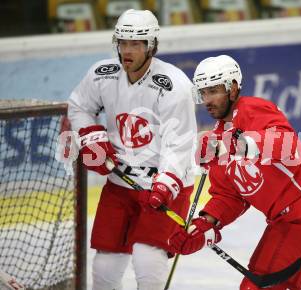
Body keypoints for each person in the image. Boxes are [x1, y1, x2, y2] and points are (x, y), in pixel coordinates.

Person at [168, 55, 301, 290]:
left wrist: (240, 144)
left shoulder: (252, 109)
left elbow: (290, 145)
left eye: (213, 91)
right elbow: (230, 197)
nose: (207, 100)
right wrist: (204, 225)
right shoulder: (217, 139)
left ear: (232, 88)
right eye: (203, 93)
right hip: (288, 218)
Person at [67, 9, 197, 290]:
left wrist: (165, 184)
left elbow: (181, 142)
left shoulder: (174, 86)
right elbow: (79, 107)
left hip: (163, 185)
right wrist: (90, 136)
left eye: (135, 44)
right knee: (105, 265)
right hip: (120, 183)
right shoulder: (102, 74)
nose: (127, 51)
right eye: (123, 43)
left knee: (147, 258)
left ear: (151, 45)